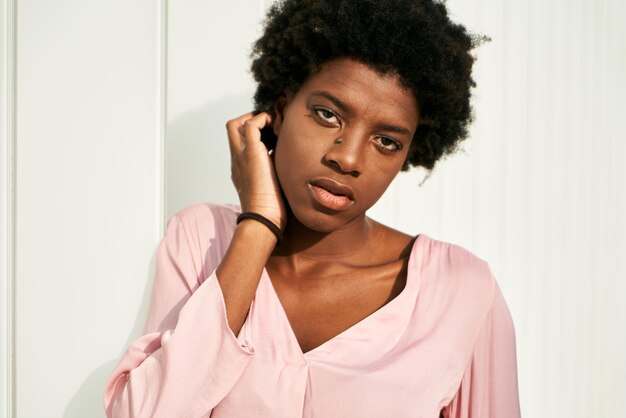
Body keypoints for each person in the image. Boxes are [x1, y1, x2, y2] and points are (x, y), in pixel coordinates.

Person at [103, 0, 521, 416]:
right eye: (328, 115)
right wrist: (258, 224)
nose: (349, 159)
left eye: (387, 142)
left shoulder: (461, 290)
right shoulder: (200, 239)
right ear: (280, 114)